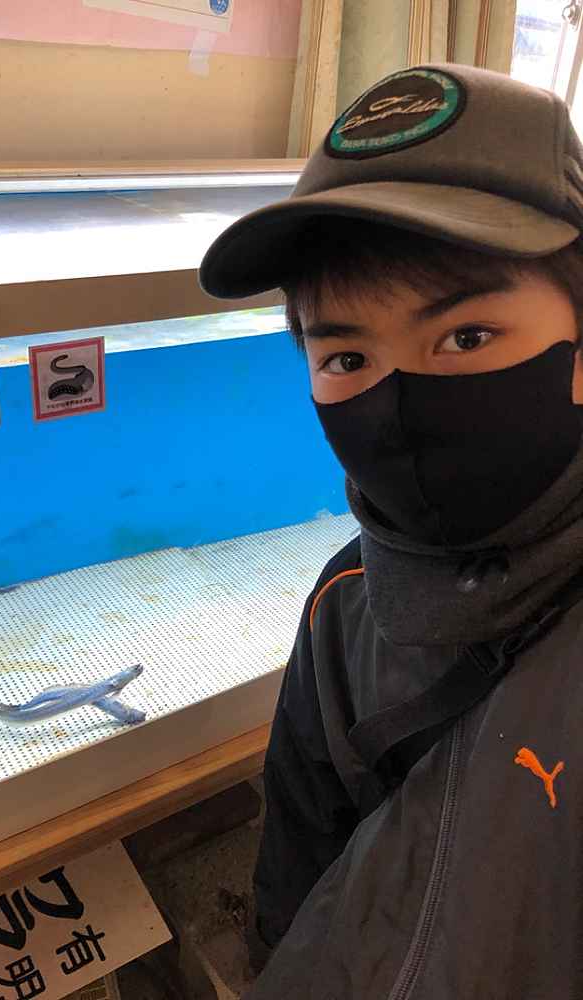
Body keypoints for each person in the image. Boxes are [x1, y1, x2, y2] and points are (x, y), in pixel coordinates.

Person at [199, 63, 583, 998]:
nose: (398, 403)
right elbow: (298, 854)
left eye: (466, 337)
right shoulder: (347, 600)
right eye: (345, 356)